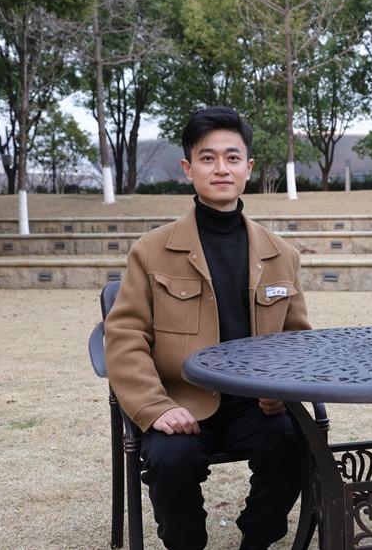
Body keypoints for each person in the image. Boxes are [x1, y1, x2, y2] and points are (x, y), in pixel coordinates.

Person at [105, 106, 310, 550]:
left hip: (256, 403)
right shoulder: (151, 250)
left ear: (248, 168)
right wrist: (155, 407)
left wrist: (284, 390)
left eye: (232, 158)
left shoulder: (282, 254)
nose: (221, 168)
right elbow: (124, 337)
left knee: (297, 441)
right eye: (208, 158)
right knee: (170, 460)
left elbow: (298, 339)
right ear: (188, 168)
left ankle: (257, 539)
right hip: (180, 402)